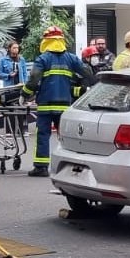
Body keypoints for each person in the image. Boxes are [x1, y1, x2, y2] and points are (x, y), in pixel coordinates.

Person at [26, 26, 92, 177]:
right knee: (65, 137)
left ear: (47, 41)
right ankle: (72, 166)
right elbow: (87, 72)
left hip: (45, 105)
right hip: (64, 106)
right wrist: (89, 86)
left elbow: (34, 79)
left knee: (43, 135)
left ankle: (41, 167)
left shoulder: (43, 59)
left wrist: (25, 93)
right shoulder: (71, 58)